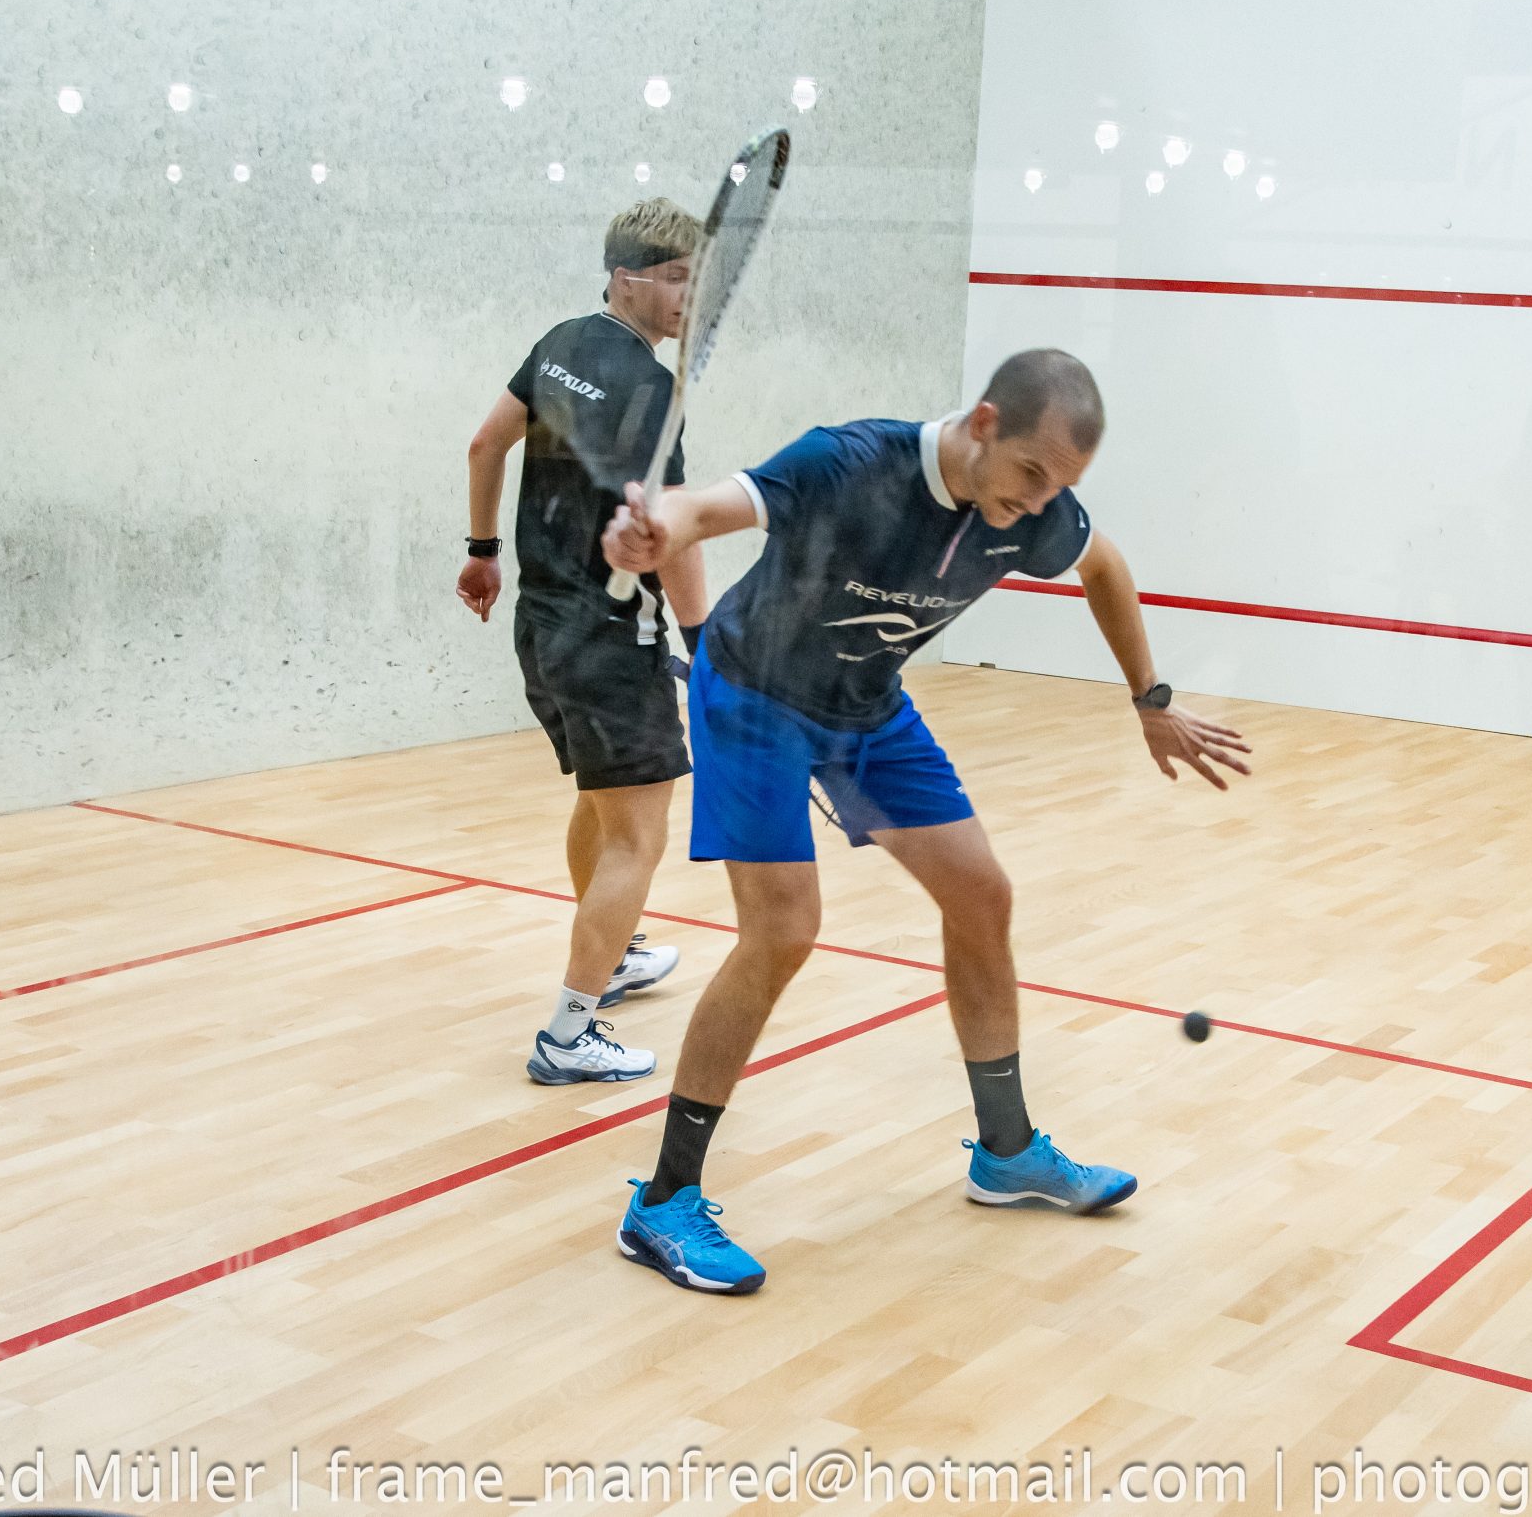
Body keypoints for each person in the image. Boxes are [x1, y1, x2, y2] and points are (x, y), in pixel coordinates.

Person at [597, 348, 1251, 1293]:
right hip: (754, 698)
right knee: (783, 929)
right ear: (983, 423)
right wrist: (654, 530)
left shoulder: (1034, 512)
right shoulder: (849, 462)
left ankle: (1007, 1152)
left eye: (1058, 486)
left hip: (865, 709)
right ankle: (662, 1202)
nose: (1039, 503)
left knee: (981, 894)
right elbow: (704, 507)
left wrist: (1149, 697)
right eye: (1031, 472)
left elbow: (1104, 564)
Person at [457, 198, 711, 1086]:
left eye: (695, 280)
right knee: (639, 835)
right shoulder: (651, 390)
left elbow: (486, 442)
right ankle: (569, 1034)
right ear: (626, 277)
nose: (688, 298)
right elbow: (669, 527)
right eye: (675, 279)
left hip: (541, 628)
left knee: (605, 806)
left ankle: (618, 950)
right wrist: (704, 642)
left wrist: (482, 550)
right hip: (611, 639)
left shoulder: (559, 343)